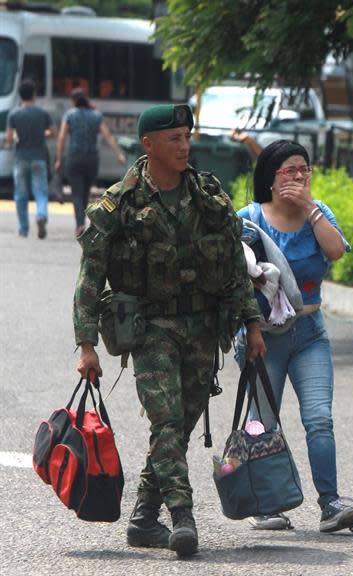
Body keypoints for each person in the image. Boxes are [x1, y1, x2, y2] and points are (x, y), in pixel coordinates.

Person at [73, 104, 266, 558]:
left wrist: (252, 323)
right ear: (149, 145)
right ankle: (182, 516)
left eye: (187, 137)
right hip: (150, 327)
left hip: (203, 326)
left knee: (178, 427)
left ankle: (143, 517)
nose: (185, 146)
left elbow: (237, 267)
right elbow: (89, 276)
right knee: (166, 419)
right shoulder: (120, 202)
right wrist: (86, 344)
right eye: (175, 138)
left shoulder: (207, 196)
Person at [235, 139, 353, 533]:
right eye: (289, 171)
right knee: (263, 422)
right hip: (263, 336)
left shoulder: (318, 213)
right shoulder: (250, 217)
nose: (298, 177)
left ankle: (331, 504)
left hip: (310, 332)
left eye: (304, 170)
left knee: (319, 419)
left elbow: (336, 251)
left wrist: (310, 208)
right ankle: (268, 505)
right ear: (270, 178)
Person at [55, 88, 126, 236]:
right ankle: (83, 222)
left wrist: (59, 159)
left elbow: (62, 137)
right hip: (91, 159)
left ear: (73, 101)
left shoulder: (69, 115)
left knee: (76, 193)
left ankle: (80, 224)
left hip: (74, 158)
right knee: (85, 193)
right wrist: (119, 154)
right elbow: (108, 136)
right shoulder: (96, 115)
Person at [4, 79, 54, 238]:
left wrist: (17, 137)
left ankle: (23, 229)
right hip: (39, 158)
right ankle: (41, 215)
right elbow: (54, 132)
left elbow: (9, 139)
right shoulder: (43, 113)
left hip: (21, 158)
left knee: (20, 194)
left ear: (20, 95)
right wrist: (43, 134)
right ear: (34, 94)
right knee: (41, 192)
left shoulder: (14, 114)